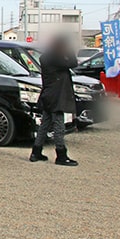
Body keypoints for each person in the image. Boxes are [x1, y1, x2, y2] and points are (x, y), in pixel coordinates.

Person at [30, 36, 79, 166]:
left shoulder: (46, 57)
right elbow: (73, 63)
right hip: (57, 96)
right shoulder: (56, 58)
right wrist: (70, 51)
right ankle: (61, 155)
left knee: (45, 124)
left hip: (48, 94)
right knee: (59, 126)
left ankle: (36, 152)